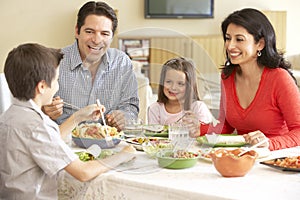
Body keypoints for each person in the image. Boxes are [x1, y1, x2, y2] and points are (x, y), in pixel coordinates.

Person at [0, 43, 136, 199]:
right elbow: (83, 172)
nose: (57, 86)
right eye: (57, 80)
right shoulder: (38, 125)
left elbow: (48, 141)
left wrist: (79, 116)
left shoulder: (9, 117)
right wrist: (123, 155)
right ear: (42, 86)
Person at [186, 8, 300, 151]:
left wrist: (269, 143)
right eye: (228, 38)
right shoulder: (227, 77)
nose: (230, 46)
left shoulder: (279, 78)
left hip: (275, 158)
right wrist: (200, 129)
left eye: (239, 39)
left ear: (260, 44)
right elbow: (226, 125)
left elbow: (298, 130)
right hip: (241, 156)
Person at [43, 1, 139, 131]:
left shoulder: (122, 62)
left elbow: (131, 106)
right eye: (89, 31)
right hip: (65, 143)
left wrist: (124, 117)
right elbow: (35, 111)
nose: (96, 40)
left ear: (112, 37)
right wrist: (46, 110)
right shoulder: (54, 62)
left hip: (109, 143)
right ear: (77, 31)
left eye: (104, 34)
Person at [147, 57, 212, 130]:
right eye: (168, 82)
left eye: (180, 84)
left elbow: (207, 134)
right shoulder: (155, 109)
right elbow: (153, 137)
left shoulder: (198, 108)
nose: (173, 87)